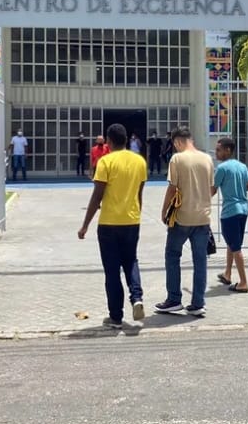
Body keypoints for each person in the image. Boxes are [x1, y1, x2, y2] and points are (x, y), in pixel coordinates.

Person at [78, 123, 148, 329]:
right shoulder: (140, 161)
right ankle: (137, 298)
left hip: (109, 223)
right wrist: (136, 214)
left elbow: (97, 195)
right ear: (126, 140)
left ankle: (116, 317)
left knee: (112, 270)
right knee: (131, 260)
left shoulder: (105, 162)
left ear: (108, 141)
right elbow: (139, 194)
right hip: (132, 220)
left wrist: (85, 225)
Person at [155, 126, 214, 317]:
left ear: (177, 142)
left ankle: (174, 299)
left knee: (172, 255)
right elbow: (211, 188)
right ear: (191, 139)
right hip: (203, 218)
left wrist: (164, 211)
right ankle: (198, 303)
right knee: (200, 261)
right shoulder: (207, 158)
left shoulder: (177, 159)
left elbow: (172, 188)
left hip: (182, 217)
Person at [212, 137, 248, 293]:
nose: (216, 153)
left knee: (235, 247)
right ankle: (227, 273)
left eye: (218, 150)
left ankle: (243, 282)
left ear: (227, 150)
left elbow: (212, 190)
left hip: (230, 212)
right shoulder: (242, 167)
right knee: (232, 242)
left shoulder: (222, 169)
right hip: (243, 210)